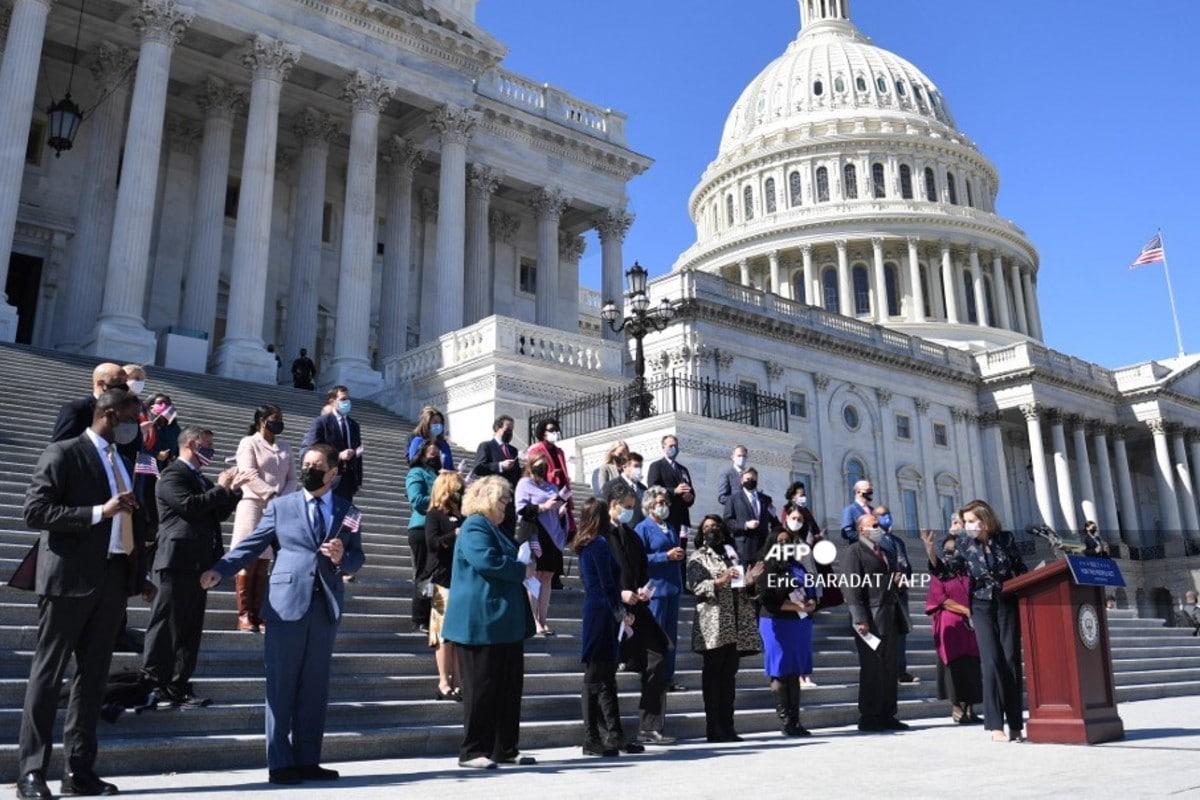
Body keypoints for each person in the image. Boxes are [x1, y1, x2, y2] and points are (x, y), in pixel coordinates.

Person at [200, 443, 365, 785]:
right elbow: (252, 543)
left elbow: (356, 558)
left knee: (314, 687)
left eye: (316, 465)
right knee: (281, 685)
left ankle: (308, 760)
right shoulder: (283, 505)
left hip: (324, 606)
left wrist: (341, 558)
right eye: (305, 464)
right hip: (286, 602)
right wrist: (221, 568)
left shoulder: (348, 509)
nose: (308, 470)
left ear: (333, 472)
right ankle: (280, 762)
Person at [18, 388, 151, 800]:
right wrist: (99, 512)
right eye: (134, 419)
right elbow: (35, 511)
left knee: (93, 681)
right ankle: (32, 772)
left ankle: (79, 770)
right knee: (47, 674)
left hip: (111, 580)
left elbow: (127, 521)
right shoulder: (64, 453)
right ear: (110, 416)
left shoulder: (121, 461)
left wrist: (137, 572)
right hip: (68, 580)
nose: (139, 428)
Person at [142, 427, 250, 708]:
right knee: (165, 625)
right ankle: (153, 684)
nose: (210, 452)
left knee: (190, 629)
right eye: (207, 446)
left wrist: (233, 492)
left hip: (199, 564)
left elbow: (215, 512)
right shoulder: (172, 474)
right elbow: (189, 506)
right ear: (191, 444)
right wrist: (221, 488)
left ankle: (179, 685)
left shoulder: (200, 478)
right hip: (174, 560)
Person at [442, 475, 538, 769]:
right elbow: (487, 561)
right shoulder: (474, 526)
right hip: (481, 623)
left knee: (508, 689)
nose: (507, 506)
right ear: (486, 499)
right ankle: (473, 750)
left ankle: (505, 747)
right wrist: (522, 571)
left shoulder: (497, 530)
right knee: (481, 689)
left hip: (505, 623)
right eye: (503, 499)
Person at [922, 499, 1028, 743]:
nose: (967, 526)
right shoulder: (963, 545)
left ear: (985, 519)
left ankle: (1015, 724)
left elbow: (1020, 568)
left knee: (1011, 661)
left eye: (971, 521)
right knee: (991, 662)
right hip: (980, 606)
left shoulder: (1006, 539)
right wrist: (931, 553)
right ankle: (994, 725)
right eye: (965, 522)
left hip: (1006, 604)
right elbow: (948, 573)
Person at [605, 484, 672, 747]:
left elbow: (643, 572)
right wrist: (620, 594)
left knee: (658, 654)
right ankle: (607, 731)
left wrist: (645, 590)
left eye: (632, 508)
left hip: (638, 608)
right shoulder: (601, 536)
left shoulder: (632, 537)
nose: (629, 513)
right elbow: (599, 576)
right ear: (613, 504)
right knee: (604, 669)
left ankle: (650, 725)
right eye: (626, 507)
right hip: (613, 609)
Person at [687, 515, 762, 742]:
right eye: (707, 527)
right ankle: (714, 728)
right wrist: (722, 579)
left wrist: (749, 580)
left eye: (715, 526)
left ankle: (728, 726)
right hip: (713, 625)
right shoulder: (698, 557)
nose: (712, 530)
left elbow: (740, 587)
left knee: (729, 676)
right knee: (713, 676)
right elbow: (696, 587)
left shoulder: (731, 554)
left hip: (736, 623)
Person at [575, 498, 637, 757]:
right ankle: (592, 737)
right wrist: (620, 612)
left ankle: (614, 733)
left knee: (606, 677)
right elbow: (606, 583)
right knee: (596, 677)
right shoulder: (598, 544)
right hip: (602, 611)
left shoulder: (587, 543)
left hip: (599, 609)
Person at [231, 404, 298, 632]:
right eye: (274, 418)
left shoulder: (285, 446)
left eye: (280, 418)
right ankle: (244, 614)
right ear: (261, 420)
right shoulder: (248, 443)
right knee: (249, 560)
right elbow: (247, 473)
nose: (278, 422)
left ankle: (259, 614)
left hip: (277, 508)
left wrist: (281, 498)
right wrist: (269, 493)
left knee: (264, 563)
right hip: (253, 504)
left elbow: (292, 479)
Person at [756, 507, 819, 738]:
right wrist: (797, 606)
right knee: (780, 672)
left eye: (788, 542)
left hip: (799, 624)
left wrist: (811, 601)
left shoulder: (797, 565)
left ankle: (796, 721)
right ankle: (785, 721)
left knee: (794, 672)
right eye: (780, 541)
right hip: (776, 623)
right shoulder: (766, 565)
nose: (784, 545)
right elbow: (768, 600)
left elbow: (809, 588)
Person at [844, 513, 909, 733]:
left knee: (890, 668)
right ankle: (869, 715)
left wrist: (897, 582)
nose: (878, 528)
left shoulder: (885, 551)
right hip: (869, 619)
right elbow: (852, 588)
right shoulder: (854, 551)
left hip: (889, 615)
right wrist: (859, 618)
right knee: (872, 667)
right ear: (862, 530)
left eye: (879, 525)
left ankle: (887, 713)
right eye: (874, 525)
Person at [926, 531, 983, 724]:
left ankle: (970, 708)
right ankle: (957, 707)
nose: (953, 553)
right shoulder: (941, 574)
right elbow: (940, 599)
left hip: (970, 627)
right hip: (951, 626)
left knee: (972, 666)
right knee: (955, 667)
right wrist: (965, 610)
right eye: (949, 550)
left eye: (956, 548)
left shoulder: (969, 572)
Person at [635, 486, 686, 693]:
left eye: (666, 502)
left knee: (670, 637)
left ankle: (668, 676)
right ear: (650, 504)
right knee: (655, 635)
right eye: (660, 503)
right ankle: (652, 676)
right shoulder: (643, 528)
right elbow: (639, 558)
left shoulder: (671, 526)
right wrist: (665, 556)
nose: (665, 506)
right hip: (655, 589)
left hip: (672, 587)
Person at [514, 452, 568, 635]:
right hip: (534, 532)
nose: (542, 467)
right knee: (534, 576)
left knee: (547, 577)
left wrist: (559, 510)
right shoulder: (524, 484)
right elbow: (520, 509)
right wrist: (543, 507)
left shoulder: (551, 486)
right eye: (539, 463)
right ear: (531, 464)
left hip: (551, 535)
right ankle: (533, 620)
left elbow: (556, 507)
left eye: (545, 464)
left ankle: (543, 619)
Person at [425, 471, 465, 701]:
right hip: (443, 580)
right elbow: (432, 543)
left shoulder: (462, 514)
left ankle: (459, 681)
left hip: (461, 580)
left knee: (459, 635)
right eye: (456, 487)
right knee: (443, 635)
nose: (460, 491)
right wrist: (453, 535)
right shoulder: (434, 515)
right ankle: (443, 681)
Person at [646, 434, 695, 592]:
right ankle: (665, 582)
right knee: (667, 549)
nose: (673, 448)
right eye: (670, 445)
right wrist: (673, 491)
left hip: (682, 516)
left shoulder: (683, 469)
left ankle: (681, 583)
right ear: (663, 447)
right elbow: (652, 488)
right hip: (666, 516)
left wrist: (689, 497)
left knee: (681, 550)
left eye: (675, 445)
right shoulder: (657, 466)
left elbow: (691, 491)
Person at [875, 504, 918, 684]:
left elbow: (906, 564)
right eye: (883, 515)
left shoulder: (897, 541)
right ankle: (885, 669)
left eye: (888, 514)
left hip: (901, 594)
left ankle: (901, 669)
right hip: (884, 595)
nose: (887, 517)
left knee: (901, 634)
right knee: (884, 635)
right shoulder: (876, 541)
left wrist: (906, 578)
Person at [300, 386, 363, 502]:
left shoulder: (354, 425)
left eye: (348, 399)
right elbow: (311, 450)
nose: (347, 402)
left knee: (342, 518)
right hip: (326, 479)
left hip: (347, 482)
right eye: (343, 399)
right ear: (332, 401)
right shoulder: (322, 422)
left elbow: (359, 452)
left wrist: (357, 481)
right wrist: (338, 456)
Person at [406, 441, 442, 633]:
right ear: (421, 455)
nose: (435, 457)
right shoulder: (416, 473)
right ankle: (420, 618)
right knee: (423, 573)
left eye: (437, 454)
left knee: (437, 574)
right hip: (421, 529)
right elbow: (417, 500)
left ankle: (434, 614)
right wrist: (443, 497)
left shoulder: (438, 474)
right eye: (431, 454)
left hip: (439, 530)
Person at [525, 417, 576, 543]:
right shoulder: (536, 450)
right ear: (543, 433)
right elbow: (532, 473)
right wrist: (551, 476)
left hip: (562, 494)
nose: (555, 433)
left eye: (556, 430)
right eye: (551, 430)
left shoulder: (560, 452)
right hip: (546, 495)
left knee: (565, 532)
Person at [49, 362, 126, 443]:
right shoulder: (78, 409)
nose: (124, 386)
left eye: (125, 381)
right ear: (101, 384)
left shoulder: (125, 412)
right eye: (118, 381)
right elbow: (60, 446)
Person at [723, 466, 778, 566]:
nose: (750, 481)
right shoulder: (733, 499)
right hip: (743, 547)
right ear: (742, 480)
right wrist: (745, 525)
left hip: (762, 547)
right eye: (747, 479)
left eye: (753, 479)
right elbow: (728, 522)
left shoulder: (766, 499)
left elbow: (774, 520)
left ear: (757, 480)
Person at [472, 415, 522, 488]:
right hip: (493, 490)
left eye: (511, 430)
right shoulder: (486, 446)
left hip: (510, 492)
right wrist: (500, 465)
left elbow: (517, 473)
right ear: (497, 428)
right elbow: (478, 468)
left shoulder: (513, 450)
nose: (509, 432)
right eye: (507, 429)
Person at [602, 451, 647, 526]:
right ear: (625, 467)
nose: (639, 470)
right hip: (622, 531)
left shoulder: (643, 488)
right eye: (636, 466)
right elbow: (605, 511)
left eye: (640, 467)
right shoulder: (610, 486)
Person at [407, 405, 454, 471]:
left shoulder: (444, 445)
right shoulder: (418, 441)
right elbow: (413, 465)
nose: (438, 425)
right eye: (435, 422)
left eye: (440, 422)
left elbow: (450, 467)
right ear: (427, 423)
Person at [148, 393, 182, 466]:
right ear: (151, 406)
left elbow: (180, 451)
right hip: (146, 467)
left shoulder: (175, 429)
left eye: (167, 404)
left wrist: (173, 460)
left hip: (164, 470)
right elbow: (137, 446)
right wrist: (156, 454)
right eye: (160, 403)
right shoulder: (145, 423)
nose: (164, 405)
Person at [840, 479, 874, 543]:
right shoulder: (850, 510)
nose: (870, 493)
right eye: (868, 491)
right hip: (860, 549)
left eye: (871, 491)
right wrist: (867, 539)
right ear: (858, 492)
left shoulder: (873, 510)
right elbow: (847, 533)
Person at [715, 444, 750, 509]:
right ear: (733, 457)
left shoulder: (749, 474)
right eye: (739, 456)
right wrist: (738, 503)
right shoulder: (727, 473)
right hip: (734, 513)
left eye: (744, 456)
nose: (742, 458)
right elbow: (722, 497)